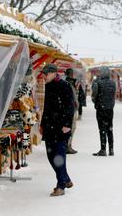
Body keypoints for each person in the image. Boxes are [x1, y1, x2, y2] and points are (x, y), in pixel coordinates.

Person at [39, 63, 75, 196]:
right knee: (50, 156)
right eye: (43, 74)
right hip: (49, 126)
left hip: (61, 128)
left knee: (59, 157)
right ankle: (66, 179)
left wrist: (67, 124)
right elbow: (46, 108)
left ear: (54, 73)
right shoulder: (48, 86)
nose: (44, 76)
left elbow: (70, 106)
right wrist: (42, 124)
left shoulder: (64, 86)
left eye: (46, 74)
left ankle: (61, 186)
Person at [91, 66, 116, 156]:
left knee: (102, 129)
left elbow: (94, 95)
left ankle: (103, 149)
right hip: (110, 109)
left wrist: (96, 102)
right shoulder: (113, 83)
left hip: (101, 108)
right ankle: (111, 149)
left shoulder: (98, 83)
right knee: (110, 128)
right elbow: (113, 95)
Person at [64, 68, 79, 154]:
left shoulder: (70, 83)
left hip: (71, 108)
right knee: (71, 128)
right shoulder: (69, 84)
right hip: (70, 109)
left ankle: (68, 145)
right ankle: (67, 146)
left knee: (71, 128)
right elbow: (73, 97)